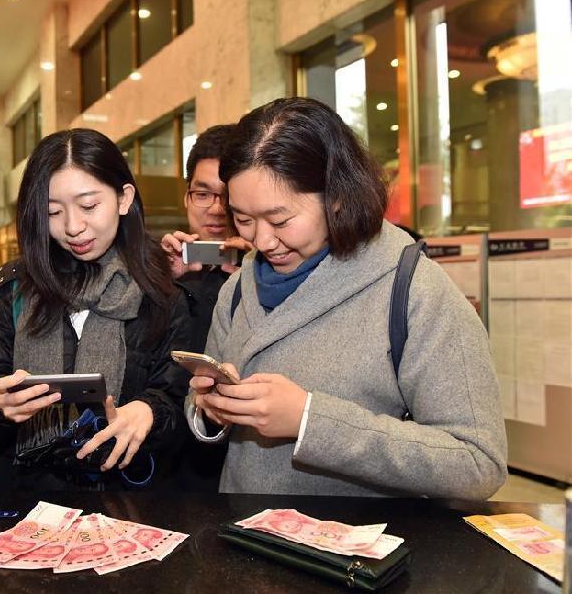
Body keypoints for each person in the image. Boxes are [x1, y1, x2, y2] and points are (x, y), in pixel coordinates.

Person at [186, 98, 507, 499]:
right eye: (244, 219)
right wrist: (211, 408)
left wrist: (309, 420)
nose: (262, 241)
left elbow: (477, 463)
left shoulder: (413, 291)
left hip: (357, 551)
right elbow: (200, 402)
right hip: (246, 541)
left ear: (337, 196)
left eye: (281, 220)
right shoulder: (237, 289)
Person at [0, 128, 191, 491]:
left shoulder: (162, 295)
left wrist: (150, 412)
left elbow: (183, 411)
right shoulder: (16, 292)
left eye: (88, 206)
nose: (72, 227)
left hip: (126, 509)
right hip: (28, 506)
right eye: (53, 212)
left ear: (123, 198)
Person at [158, 125, 246, 493]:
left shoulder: (269, 270)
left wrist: (256, 283)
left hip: (237, 467)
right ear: (186, 198)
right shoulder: (159, 269)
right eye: (202, 193)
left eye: (227, 196)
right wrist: (163, 282)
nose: (216, 208)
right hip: (165, 469)